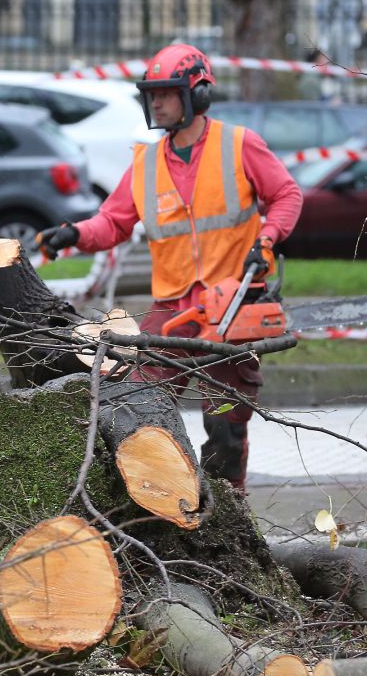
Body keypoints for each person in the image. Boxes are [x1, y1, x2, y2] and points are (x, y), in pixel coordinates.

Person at [35, 44, 303, 492]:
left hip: (232, 305)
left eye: (166, 93)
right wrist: (75, 234)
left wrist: (267, 239)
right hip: (172, 310)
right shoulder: (146, 164)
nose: (155, 103)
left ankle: (228, 511)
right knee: (137, 406)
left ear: (197, 94)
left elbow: (286, 195)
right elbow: (114, 222)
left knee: (225, 426)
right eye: (152, 94)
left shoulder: (239, 145)